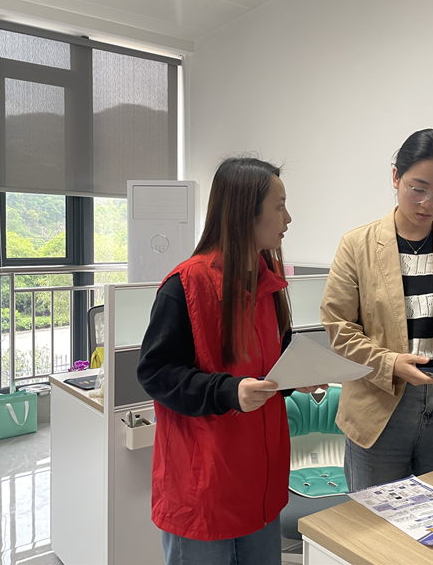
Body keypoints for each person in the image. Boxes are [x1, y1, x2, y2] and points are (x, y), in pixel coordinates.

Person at [137, 156, 324, 565]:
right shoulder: (186, 284)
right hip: (203, 490)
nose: (288, 218)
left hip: (259, 484)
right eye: (279, 206)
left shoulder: (268, 282)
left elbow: (267, 365)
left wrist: (295, 377)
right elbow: (156, 373)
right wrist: (228, 391)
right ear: (245, 212)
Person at [320, 129, 433, 492]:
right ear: (395, 177)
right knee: (375, 520)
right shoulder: (357, 245)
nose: (429, 203)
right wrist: (390, 363)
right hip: (378, 406)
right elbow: (339, 327)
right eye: (418, 189)